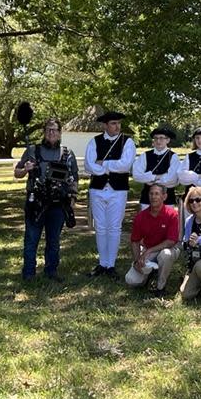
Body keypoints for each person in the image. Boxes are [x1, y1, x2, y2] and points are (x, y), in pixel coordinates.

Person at [14, 117, 78, 282]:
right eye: (48, 130)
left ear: (60, 133)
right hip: (36, 202)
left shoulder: (67, 154)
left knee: (54, 241)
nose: (51, 133)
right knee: (31, 239)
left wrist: (72, 199)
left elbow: (74, 178)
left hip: (58, 204)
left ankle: (51, 271)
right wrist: (25, 169)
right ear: (44, 132)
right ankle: (29, 273)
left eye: (54, 130)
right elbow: (17, 173)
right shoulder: (32, 151)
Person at [85, 110, 136, 278]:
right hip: (97, 189)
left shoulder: (127, 142)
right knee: (100, 226)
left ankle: (111, 265)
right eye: (113, 123)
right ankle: (102, 263)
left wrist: (103, 164)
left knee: (114, 227)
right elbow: (89, 166)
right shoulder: (94, 141)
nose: (117, 126)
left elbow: (125, 165)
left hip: (118, 189)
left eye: (119, 123)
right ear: (105, 125)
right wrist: (110, 166)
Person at [128, 183, 180, 297]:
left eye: (157, 194)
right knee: (132, 280)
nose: (153, 197)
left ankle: (160, 287)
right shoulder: (141, 216)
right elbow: (135, 241)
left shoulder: (172, 214)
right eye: (151, 194)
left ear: (164, 196)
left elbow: (171, 241)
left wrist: (149, 251)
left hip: (168, 249)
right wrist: (137, 261)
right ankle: (151, 273)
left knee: (165, 255)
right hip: (149, 251)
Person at [132, 126, 180, 210]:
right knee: (146, 219)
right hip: (147, 199)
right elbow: (136, 175)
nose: (158, 141)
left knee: (167, 219)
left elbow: (172, 179)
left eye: (161, 138)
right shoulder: (145, 155)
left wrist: (149, 179)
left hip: (167, 199)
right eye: (156, 138)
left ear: (167, 140)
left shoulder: (174, 157)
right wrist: (157, 177)